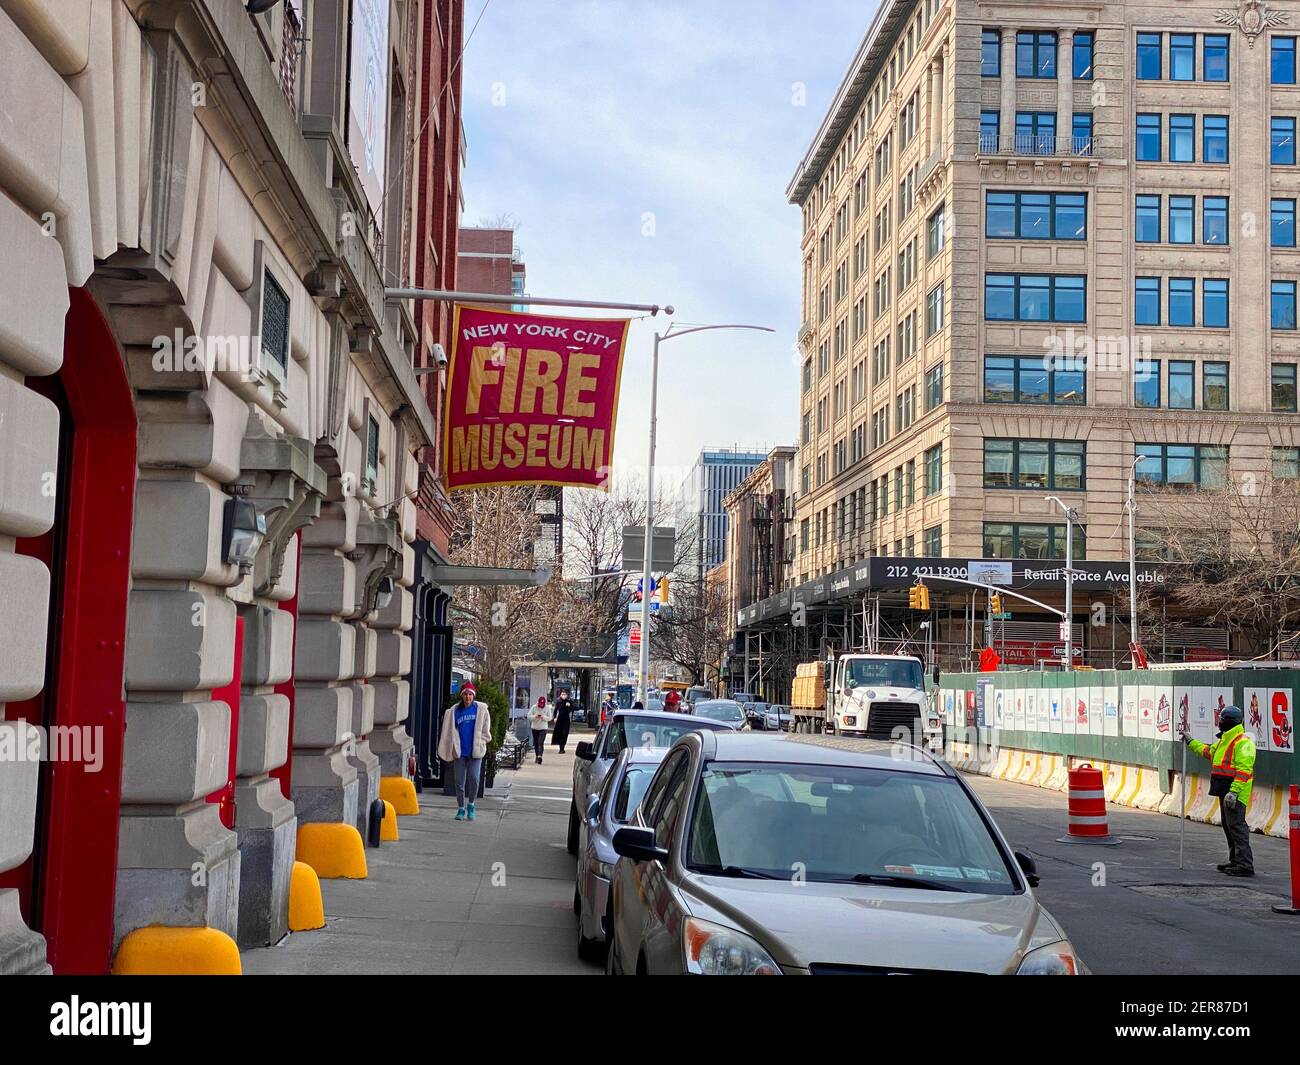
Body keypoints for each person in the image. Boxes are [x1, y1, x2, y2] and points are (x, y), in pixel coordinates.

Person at [1183, 704, 1256, 876]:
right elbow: (1209, 752)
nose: (1219, 722)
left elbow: (1244, 771)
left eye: (1222, 719)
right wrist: (1191, 741)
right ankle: (1235, 861)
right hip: (1225, 789)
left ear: (1229, 722)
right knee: (1228, 826)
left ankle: (1245, 865)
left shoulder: (1243, 742)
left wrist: (1234, 792)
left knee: (1237, 826)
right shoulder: (1225, 740)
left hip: (1234, 792)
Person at [436, 681, 492, 822]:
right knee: (459, 781)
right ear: (462, 696)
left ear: (474, 696)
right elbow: (449, 731)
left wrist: (481, 740)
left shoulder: (481, 710)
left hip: (475, 751)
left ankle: (471, 804)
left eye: (470, 694)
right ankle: (461, 808)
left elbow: (486, 731)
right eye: (465, 694)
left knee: (474, 778)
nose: (468, 697)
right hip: (460, 751)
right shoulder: (454, 711)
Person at [528, 696, 551, 764]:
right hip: (535, 727)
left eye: (542, 704)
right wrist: (535, 716)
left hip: (543, 728)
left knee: (540, 742)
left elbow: (550, 718)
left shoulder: (547, 708)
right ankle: (536, 756)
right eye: (540, 704)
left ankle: (540, 756)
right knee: (536, 743)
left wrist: (543, 717)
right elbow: (529, 716)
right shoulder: (534, 707)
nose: (541, 706)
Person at [551, 689, 574, 753]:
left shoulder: (569, 701)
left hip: (566, 719)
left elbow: (573, 709)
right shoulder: (559, 701)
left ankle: (562, 747)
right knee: (560, 734)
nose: (563, 696)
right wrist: (555, 717)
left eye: (565, 694)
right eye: (562, 694)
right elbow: (556, 710)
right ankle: (561, 748)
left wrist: (570, 706)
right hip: (560, 719)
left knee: (565, 734)